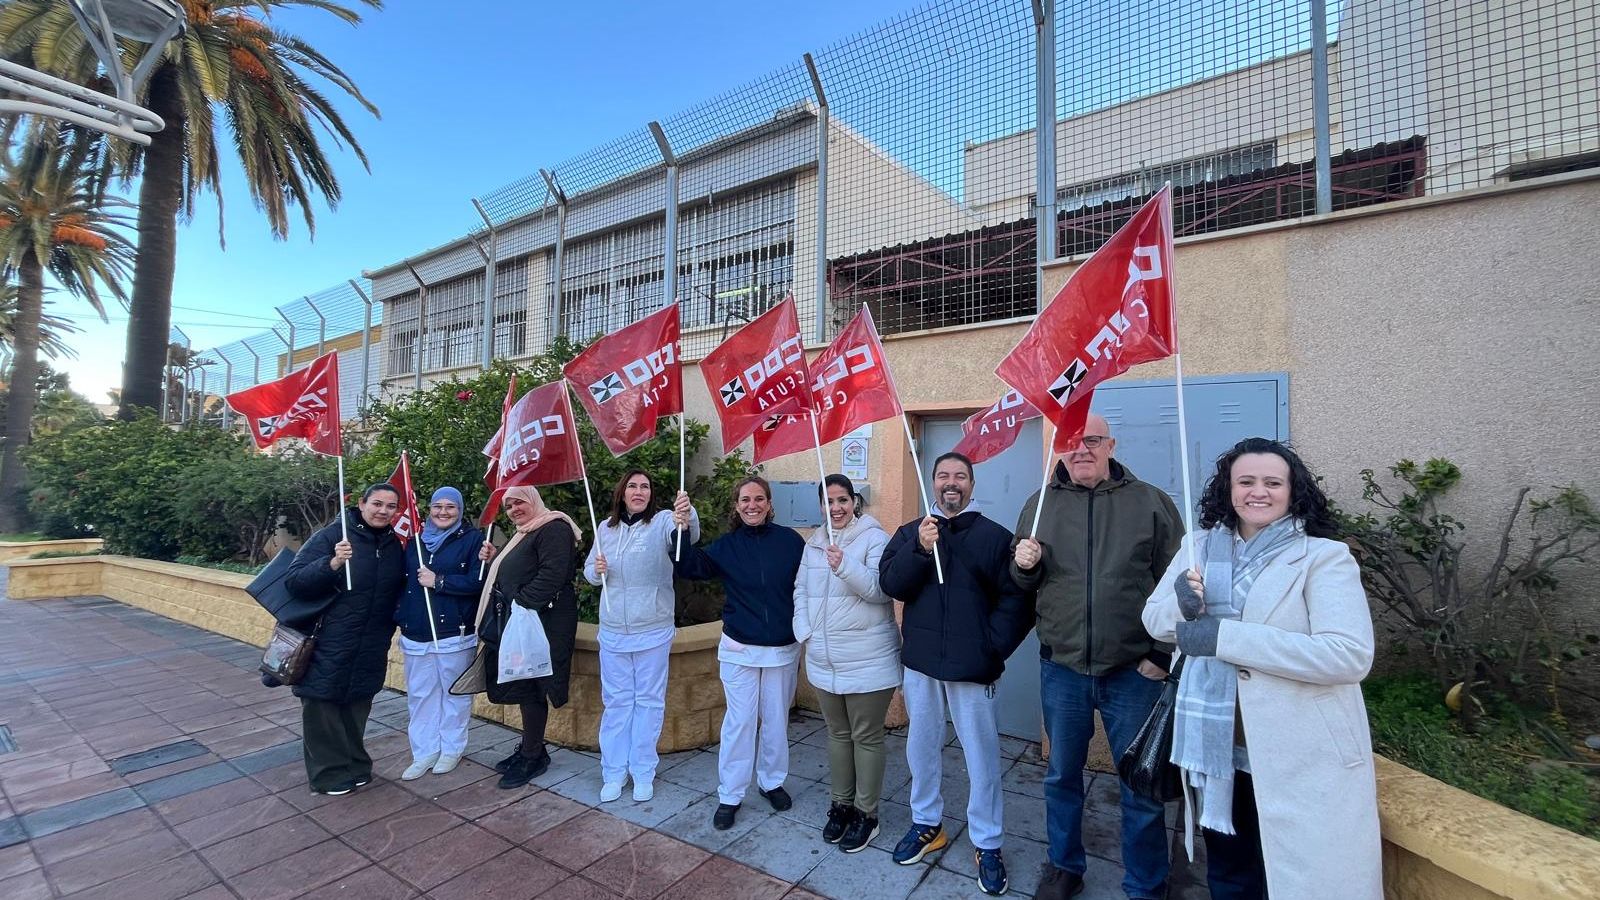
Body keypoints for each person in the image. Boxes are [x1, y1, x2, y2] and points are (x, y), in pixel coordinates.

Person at [1143, 438, 1381, 900]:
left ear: (1293, 491)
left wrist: (1224, 637)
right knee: (1231, 875)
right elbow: (1154, 620)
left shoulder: (1323, 557)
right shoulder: (1198, 547)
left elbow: (1349, 654)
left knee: (1297, 878)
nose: (1259, 491)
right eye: (1245, 481)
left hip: (1297, 755)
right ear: (1228, 490)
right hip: (1216, 753)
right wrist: (1181, 602)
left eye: (1273, 482)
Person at [1010, 413, 1182, 900]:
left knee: (1141, 786)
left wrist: (1161, 654)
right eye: (1072, 440)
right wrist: (1024, 568)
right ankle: (1065, 866)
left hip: (1135, 671)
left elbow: (1180, 586)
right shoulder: (1040, 504)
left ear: (1111, 445)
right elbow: (1023, 581)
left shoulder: (1150, 502)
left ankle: (1146, 883)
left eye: (1093, 440)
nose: (1081, 449)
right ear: (1060, 448)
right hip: (1062, 668)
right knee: (1062, 776)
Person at [879, 452, 1033, 896]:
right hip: (922, 664)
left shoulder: (994, 537)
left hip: (973, 668)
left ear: (971, 484)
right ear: (933, 482)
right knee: (921, 747)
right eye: (944, 475)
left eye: (960, 477)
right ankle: (927, 824)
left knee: (981, 756)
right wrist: (921, 550)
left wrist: (991, 649)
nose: (952, 483)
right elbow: (892, 584)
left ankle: (987, 842)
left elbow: (1018, 600)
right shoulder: (911, 533)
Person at [674, 475, 805, 831]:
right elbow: (690, 566)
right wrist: (682, 530)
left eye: (759, 499)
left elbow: (808, 584)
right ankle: (730, 794)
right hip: (739, 648)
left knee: (776, 719)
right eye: (745, 499)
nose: (752, 505)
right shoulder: (727, 546)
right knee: (740, 722)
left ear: (769, 503)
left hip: (782, 646)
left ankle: (771, 781)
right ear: (736, 505)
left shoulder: (791, 542)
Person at [791, 474, 897, 853]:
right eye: (829, 501)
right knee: (837, 735)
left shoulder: (874, 537)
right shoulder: (814, 543)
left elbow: (880, 590)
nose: (836, 508)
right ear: (821, 505)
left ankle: (867, 815)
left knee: (865, 737)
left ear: (855, 502)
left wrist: (845, 565)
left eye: (843, 500)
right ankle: (842, 805)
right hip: (824, 658)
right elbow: (801, 589)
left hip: (868, 660)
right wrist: (804, 630)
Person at [584, 469, 700, 803]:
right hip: (614, 633)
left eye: (645, 486)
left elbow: (686, 537)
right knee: (617, 703)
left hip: (652, 629)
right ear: (622, 493)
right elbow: (590, 571)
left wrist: (686, 513)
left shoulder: (663, 521)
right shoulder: (606, 528)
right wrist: (596, 571)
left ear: (651, 493)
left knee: (648, 702)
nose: (639, 491)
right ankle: (614, 771)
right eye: (632, 486)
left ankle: (643, 771)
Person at [284, 483, 407, 796]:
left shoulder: (393, 544)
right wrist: (333, 563)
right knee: (323, 706)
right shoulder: (333, 536)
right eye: (377, 504)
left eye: (390, 506)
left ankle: (355, 766)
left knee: (356, 705)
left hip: (370, 643)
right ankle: (329, 775)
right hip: (328, 640)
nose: (383, 511)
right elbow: (295, 581)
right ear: (362, 503)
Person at [475, 485, 582, 790]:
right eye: (508, 506)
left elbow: (553, 574)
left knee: (534, 686)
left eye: (519, 501)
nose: (514, 509)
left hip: (542, 624)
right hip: (525, 624)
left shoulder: (554, 528)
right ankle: (531, 749)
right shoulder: (526, 532)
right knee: (525, 686)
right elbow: (522, 567)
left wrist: (520, 602)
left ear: (534, 500)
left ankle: (533, 756)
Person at [397, 486, 486, 781]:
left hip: (453, 633)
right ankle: (423, 752)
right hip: (416, 633)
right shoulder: (415, 543)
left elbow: (477, 582)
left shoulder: (474, 541)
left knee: (454, 695)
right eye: (438, 506)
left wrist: (440, 581)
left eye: (450, 507)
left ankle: (451, 749)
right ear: (429, 510)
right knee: (421, 696)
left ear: (460, 511)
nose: (443, 512)